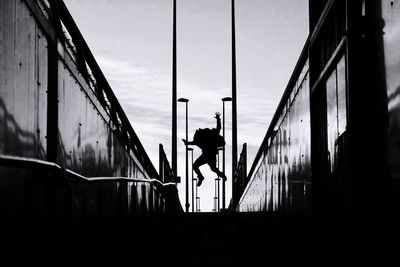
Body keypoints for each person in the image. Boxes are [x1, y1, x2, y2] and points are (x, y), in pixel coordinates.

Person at [182, 112, 227, 186]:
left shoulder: (212, 136)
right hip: (210, 155)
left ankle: (201, 176)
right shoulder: (208, 137)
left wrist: (187, 143)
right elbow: (195, 142)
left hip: (207, 155)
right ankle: (220, 175)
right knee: (212, 168)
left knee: (196, 166)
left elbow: (218, 127)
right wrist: (187, 143)